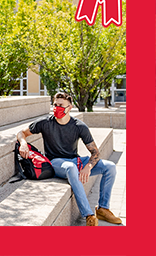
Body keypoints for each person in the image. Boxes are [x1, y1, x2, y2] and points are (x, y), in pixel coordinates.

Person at [16, 92, 121, 226]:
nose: (57, 108)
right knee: (71, 168)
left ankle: (103, 209)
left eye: (61, 105)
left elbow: (95, 152)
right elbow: (21, 133)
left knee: (110, 167)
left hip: (75, 161)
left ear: (70, 107)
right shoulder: (45, 123)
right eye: (55, 104)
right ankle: (88, 215)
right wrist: (23, 143)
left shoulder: (79, 126)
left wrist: (88, 167)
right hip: (56, 163)